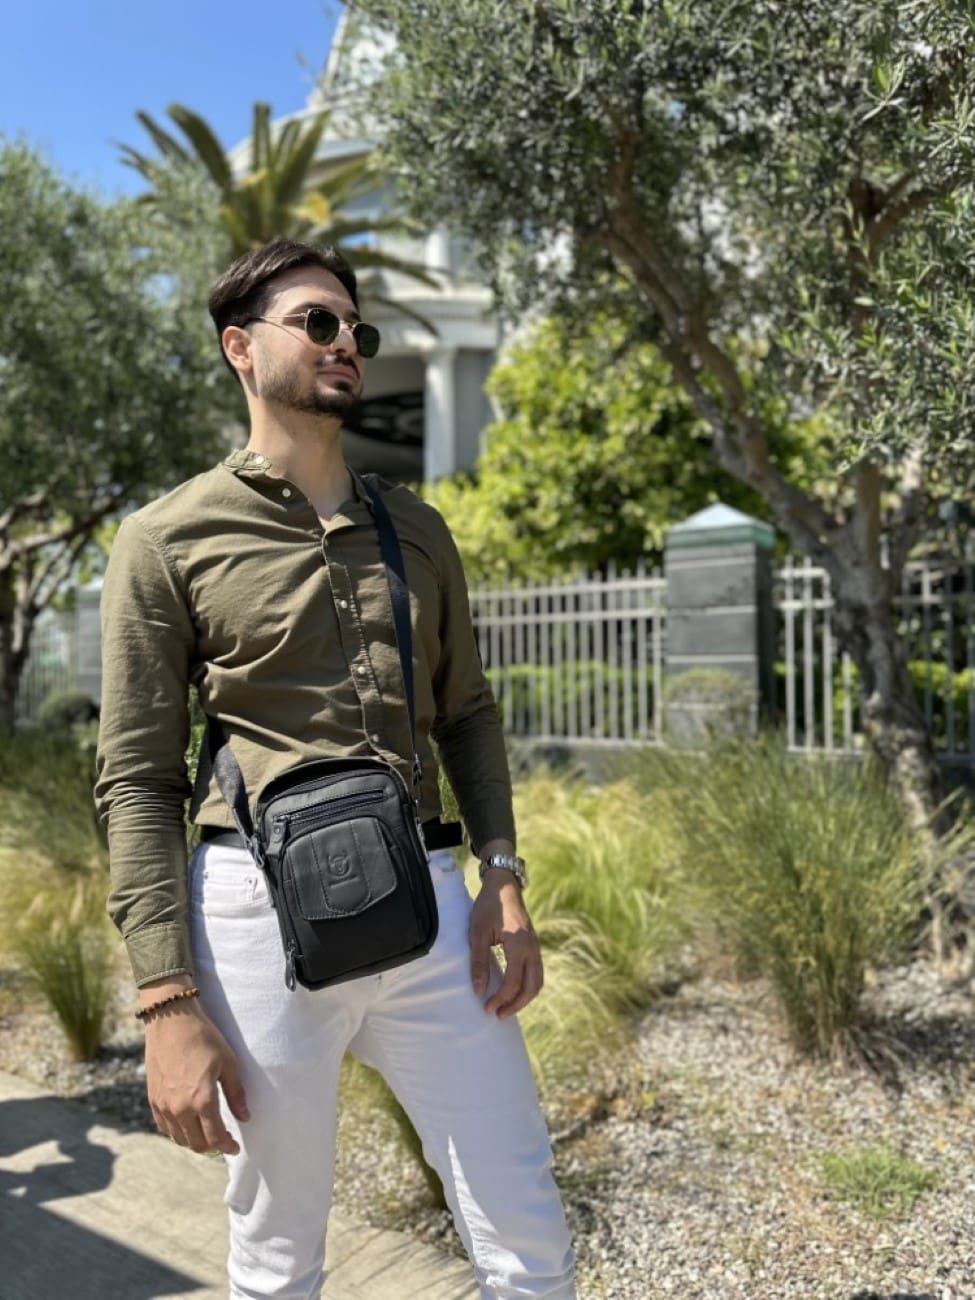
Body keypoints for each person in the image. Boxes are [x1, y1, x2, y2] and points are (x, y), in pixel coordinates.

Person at [94, 237, 576, 1300]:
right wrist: (166, 1000)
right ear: (240, 348)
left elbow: (467, 712)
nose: (344, 341)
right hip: (254, 914)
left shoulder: (418, 528)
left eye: (357, 328)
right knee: (278, 1255)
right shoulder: (167, 539)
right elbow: (137, 779)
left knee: (525, 1222)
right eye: (317, 322)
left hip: (431, 906)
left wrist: (501, 877)